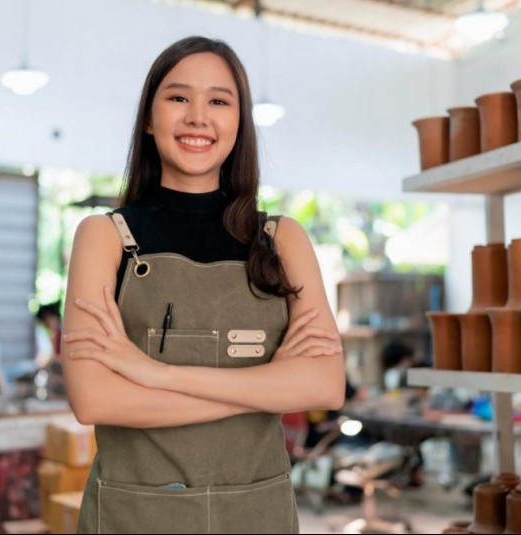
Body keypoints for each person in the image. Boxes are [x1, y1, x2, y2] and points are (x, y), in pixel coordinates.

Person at [61, 36, 345, 534]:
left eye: (218, 100)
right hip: (136, 517)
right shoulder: (104, 238)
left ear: (239, 122)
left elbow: (325, 384)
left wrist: (152, 373)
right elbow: (96, 401)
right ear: (149, 119)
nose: (198, 116)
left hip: (257, 516)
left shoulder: (283, 240)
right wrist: (269, 386)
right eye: (177, 98)